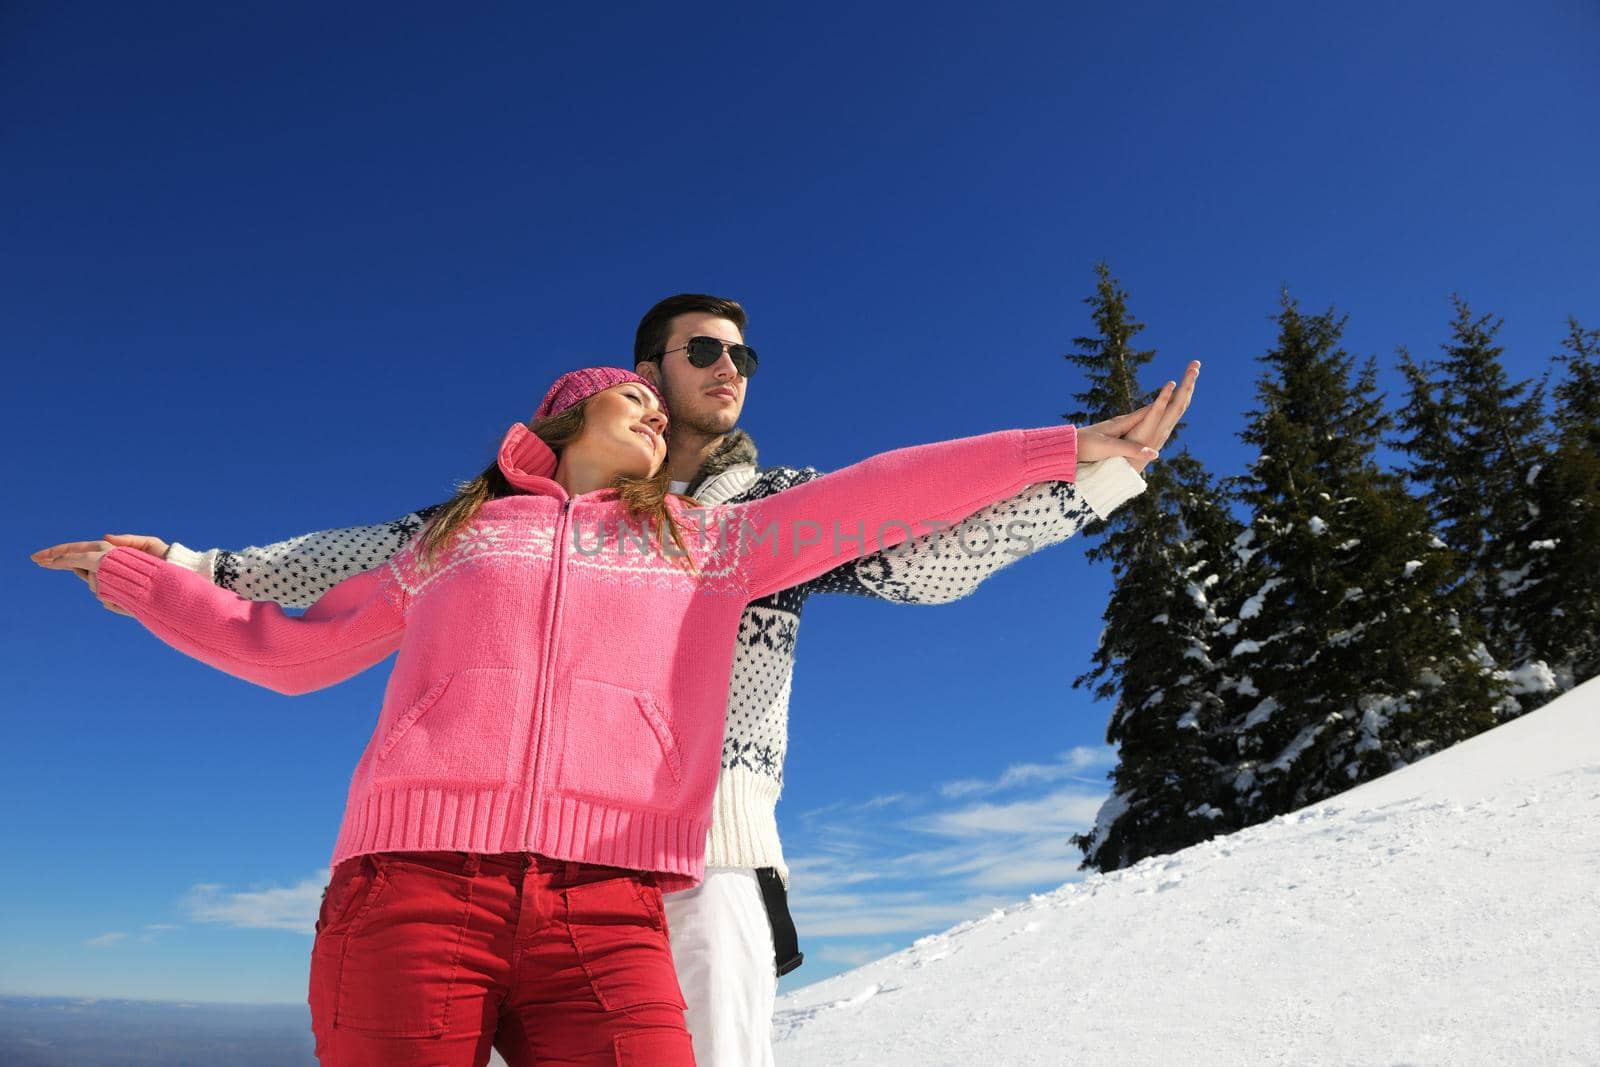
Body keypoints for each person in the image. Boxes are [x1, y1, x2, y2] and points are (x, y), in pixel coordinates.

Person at [36, 296, 1199, 1066]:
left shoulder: (726, 537)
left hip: (627, 885)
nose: (703, 383)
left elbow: (892, 500)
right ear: (576, 404)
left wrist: (1071, 455)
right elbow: (298, 633)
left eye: (738, 358)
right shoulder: (457, 534)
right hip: (414, 882)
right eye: (665, 374)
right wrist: (164, 576)